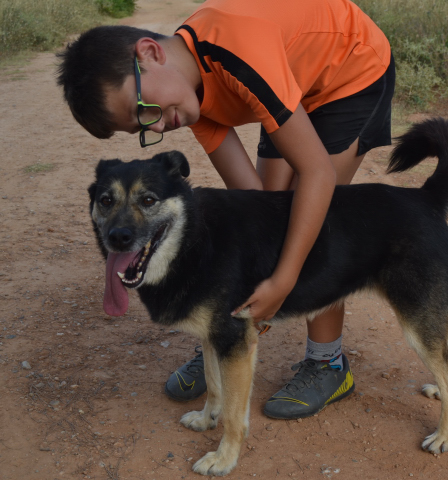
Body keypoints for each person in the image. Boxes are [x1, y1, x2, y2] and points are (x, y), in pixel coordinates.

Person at [57, 0, 395, 420]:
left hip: (353, 70)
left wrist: (283, 280)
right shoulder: (186, 95)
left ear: (150, 53)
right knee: (273, 218)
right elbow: (254, 202)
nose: (156, 125)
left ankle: (328, 363)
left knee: (314, 226)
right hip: (295, 80)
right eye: (141, 127)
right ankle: (227, 336)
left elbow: (318, 174)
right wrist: (254, 280)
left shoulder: (237, 50)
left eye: (142, 110)